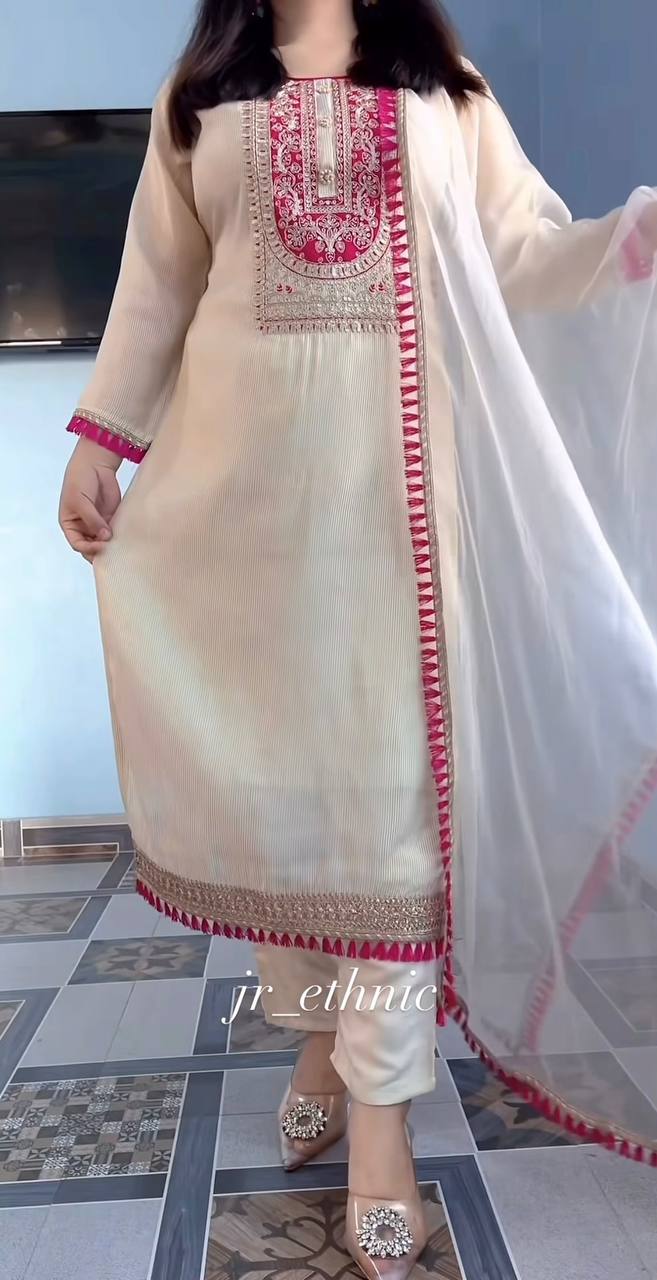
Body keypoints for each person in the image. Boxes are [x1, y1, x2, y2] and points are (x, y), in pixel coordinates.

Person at [59, 0, 657, 1273]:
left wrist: (620, 245)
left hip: (399, 527)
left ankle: (381, 1123)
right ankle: (320, 1036)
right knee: (280, 809)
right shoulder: (203, 95)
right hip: (241, 519)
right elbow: (158, 284)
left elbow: (517, 246)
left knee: (391, 821)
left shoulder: (443, 87)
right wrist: (102, 442)